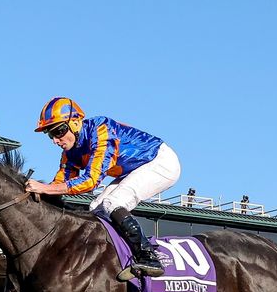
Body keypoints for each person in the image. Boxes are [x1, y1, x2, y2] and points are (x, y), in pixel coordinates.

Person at [25, 97, 181, 280]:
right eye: (50, 134)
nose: (55, 140)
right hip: (134, 169)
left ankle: (149, 257)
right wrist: (38, 192)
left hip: (160, 162)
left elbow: (90, 181)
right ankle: (114, 259)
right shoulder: (69, 152)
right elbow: (61, 182)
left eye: (58, 131)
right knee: (96, 209)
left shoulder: (101, 130)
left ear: (75, 122)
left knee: (112, 202)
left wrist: (44, 188)